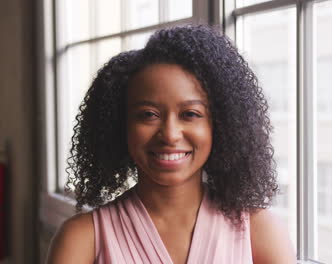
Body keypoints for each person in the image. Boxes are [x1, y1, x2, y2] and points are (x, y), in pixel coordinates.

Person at [46, 24, 296, 264]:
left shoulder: (259, 232)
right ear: (119, 126)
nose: (170, 134)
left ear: (220, 125)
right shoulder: (81, 240)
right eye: (148, 115)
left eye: (190, 114)